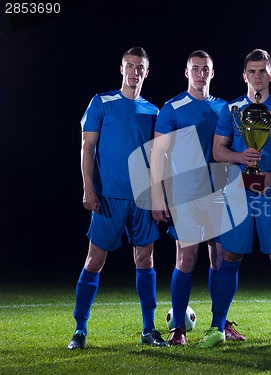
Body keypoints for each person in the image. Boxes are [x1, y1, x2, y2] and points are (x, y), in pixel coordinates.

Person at [197, 48, 271, 349]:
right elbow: (218, 151)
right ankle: (217, 327)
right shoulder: (230, 110)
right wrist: (239, 156)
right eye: (252, 71)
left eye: (262, 71)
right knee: (228, 258)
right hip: (238, 194)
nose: (257, 76)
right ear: (245, 76)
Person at [67, 47, 168, 350]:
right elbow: (87, 147)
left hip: (142, 199)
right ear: (121, 69)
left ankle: (149, 330)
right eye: (130, 65)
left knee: (145, 259)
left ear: (146, 73)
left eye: (140, 67)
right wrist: (88, 187)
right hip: (108, 197)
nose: (134, 71)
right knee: (95, 260)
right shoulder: (102, 102)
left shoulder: (153, 111)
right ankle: (80, 330)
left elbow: (158, 158)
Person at [150, 50, 246, 346]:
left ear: (212, 73)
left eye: (206, 69)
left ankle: (220, 324)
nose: (200, 73)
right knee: (186, 257)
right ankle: (178, 328)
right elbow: (157, 154)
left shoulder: (224, 108)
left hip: (219, 194)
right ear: (187, 72)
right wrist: (157, 195)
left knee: (220, 259)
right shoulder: (173, 107)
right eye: (195, 68)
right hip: (185, 195)